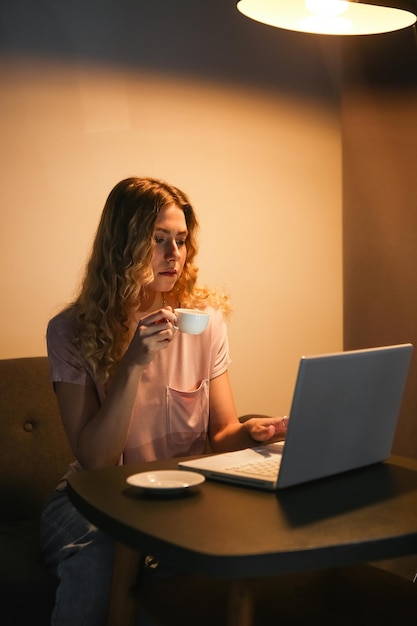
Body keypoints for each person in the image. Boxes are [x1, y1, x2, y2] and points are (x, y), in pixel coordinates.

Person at [40, 176, 287, 625]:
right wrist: (132, 363)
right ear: (123, 245)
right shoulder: (71, 331)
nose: (174, 254)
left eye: (181, 240)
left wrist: (251, 433)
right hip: (94, 500)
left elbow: (220, 433)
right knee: (104, 557)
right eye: (158, 240)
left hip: (182, 498)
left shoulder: (204, 322)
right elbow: (96, 461)